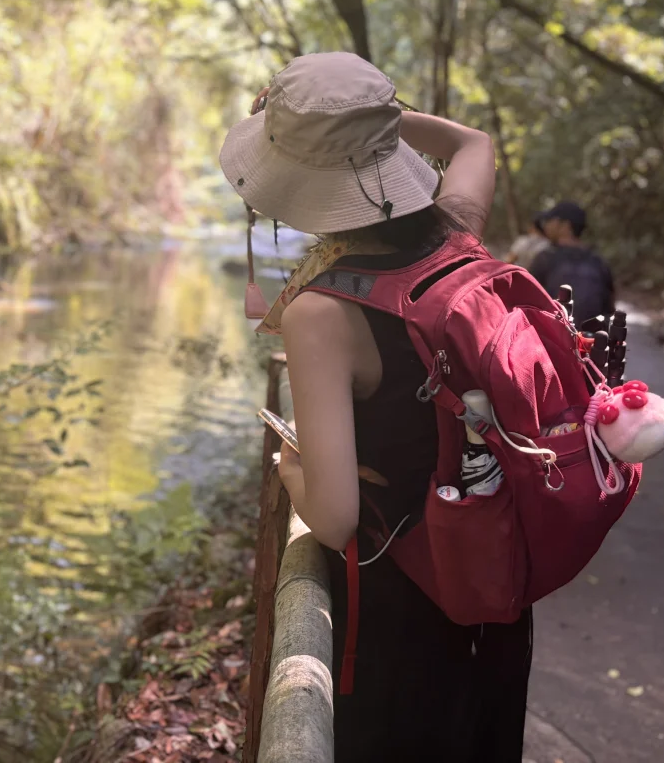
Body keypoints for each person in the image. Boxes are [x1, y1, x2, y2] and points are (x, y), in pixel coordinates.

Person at [221, 53, 531, 761]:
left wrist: (292, 461)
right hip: (489, 578)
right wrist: (368, 126)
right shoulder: (456, 234)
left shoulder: (322, 313)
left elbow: (333, 519)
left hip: (401, 600)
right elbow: (473, 143)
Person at [528, 201, 615, 328]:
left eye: (551, 220)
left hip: (552, 339)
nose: (546, 225)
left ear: (565, 226)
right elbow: (609, 309)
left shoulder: (545, 259)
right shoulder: (599, 262)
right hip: (591, 340)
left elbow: (526, 302)